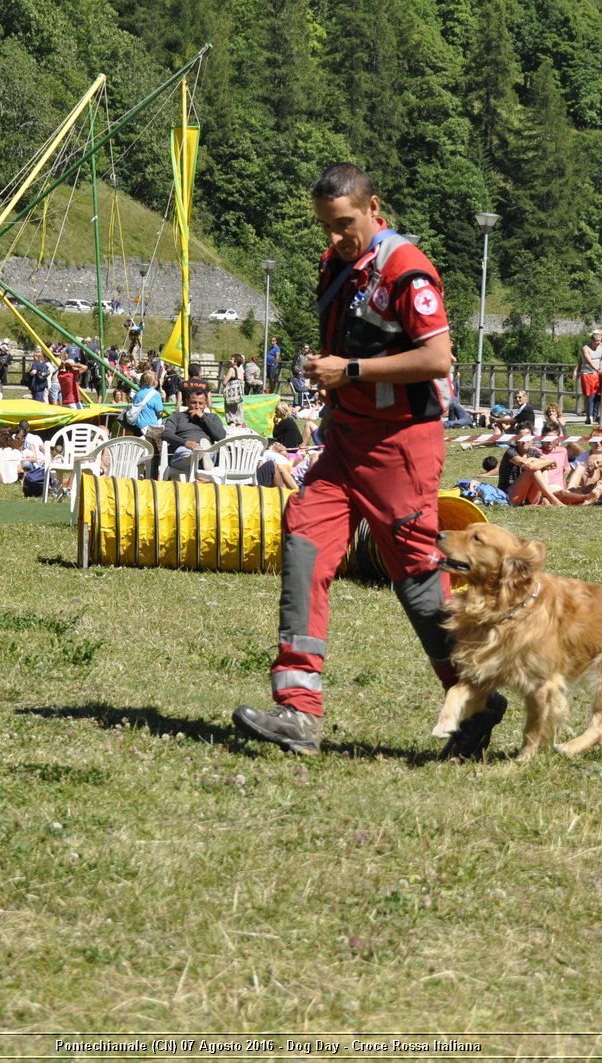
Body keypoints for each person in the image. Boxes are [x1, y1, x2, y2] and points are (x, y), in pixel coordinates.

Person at [232, 162, 500, 759]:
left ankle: (474, 703)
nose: (334, 238)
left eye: (344, 225)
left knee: (416, 581)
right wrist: (330, 381)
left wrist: (347, 371)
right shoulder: (336, 266)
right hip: (345, 441)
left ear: (373, 207)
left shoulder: (407, 267)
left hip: (402, 446)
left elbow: (437, 360)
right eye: (325, 227)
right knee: (303, 545)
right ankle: (297, 712)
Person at [161, 383, 228, 478]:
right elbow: (166, 434)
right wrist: (185, 442)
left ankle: (199, 456)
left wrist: (203, 417)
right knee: (185, 452)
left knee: (209, 451)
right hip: (184, 449)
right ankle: (192, 457)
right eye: (193, 402)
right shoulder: (177, 416)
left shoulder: (212, 418)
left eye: (200, 403)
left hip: (207, 450)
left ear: (205, 404)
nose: (197, 406)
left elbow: (221, 436)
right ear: (187, 401)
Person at [575, 328, 602, 424]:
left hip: (598, 374)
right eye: (596, 341)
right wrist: (596, 369)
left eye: (599, 341)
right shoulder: (585, 348)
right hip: (587, 373)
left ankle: (597, 415)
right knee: (588, 396)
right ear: (592, 340)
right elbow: (588, 360)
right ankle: (589, 416)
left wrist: (601, 370)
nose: (598, 343)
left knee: (598, 395)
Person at [222, 354, 247, 425]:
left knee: (231, 418)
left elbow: (224, 382)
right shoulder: (241, 371)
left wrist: (225, 378)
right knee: (238, 418)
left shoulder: (231, 369)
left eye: (232, 359)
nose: (230, 360)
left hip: (231, 397)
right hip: (239, 397)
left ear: (236, 362)